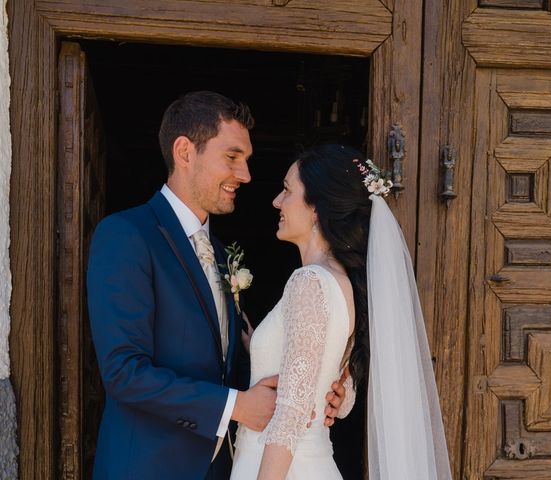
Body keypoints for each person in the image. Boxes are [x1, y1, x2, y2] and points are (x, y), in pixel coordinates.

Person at [86, 92, 346, 480]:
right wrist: (236, 407)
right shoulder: (126, 235)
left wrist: (313, 389)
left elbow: (228, 365)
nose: (245, 175)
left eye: (246, 160)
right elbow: (124, 372)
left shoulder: (222, 254)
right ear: (185, 151)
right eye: (232, 157)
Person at [230, 144, 452, 480]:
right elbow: (326, 380)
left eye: (287, 191)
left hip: (281, 468)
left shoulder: (309, 282)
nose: (277, 201)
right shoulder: (343, 283)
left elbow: (290, 415)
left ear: (316, 208)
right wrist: (258, 346)